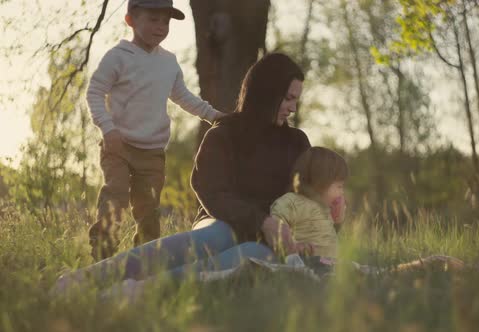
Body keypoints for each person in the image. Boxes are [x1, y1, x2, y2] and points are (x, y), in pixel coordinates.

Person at [53, 52, 312, 293]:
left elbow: (309, 198)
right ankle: (88, 280)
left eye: (296, 100)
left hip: (270, 240)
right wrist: (261, 221)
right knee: (218, 236)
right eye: (288, 98)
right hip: (221, 221)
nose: (292, 108)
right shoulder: (224, 134)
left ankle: (139, 292)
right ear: (267, 93)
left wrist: (301, 234)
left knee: (254, 256)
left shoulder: (297, 143)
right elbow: (213, 194)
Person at [86, 0, 225, 260]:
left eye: (165, 21)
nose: (160, 26)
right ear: (131, 20)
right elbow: (94, 92)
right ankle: (102, 256)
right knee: (115, 197)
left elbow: (183, 97)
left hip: (152, 152)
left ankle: (143, 262)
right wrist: (108, 129)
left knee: (148, 211)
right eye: (153, 19)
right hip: (118, 145)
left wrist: (214, 116)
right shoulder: (118, 56)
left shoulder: (168, 62)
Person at [270, 147, 348, 259]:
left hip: (330, 265)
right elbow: (276, 226)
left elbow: (329, 239)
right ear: (321, 181)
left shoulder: (326, 208)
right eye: (339, 186)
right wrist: (292, 246)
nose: (342, 192)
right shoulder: (292, 201)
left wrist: (338, 221)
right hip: (305, 262)